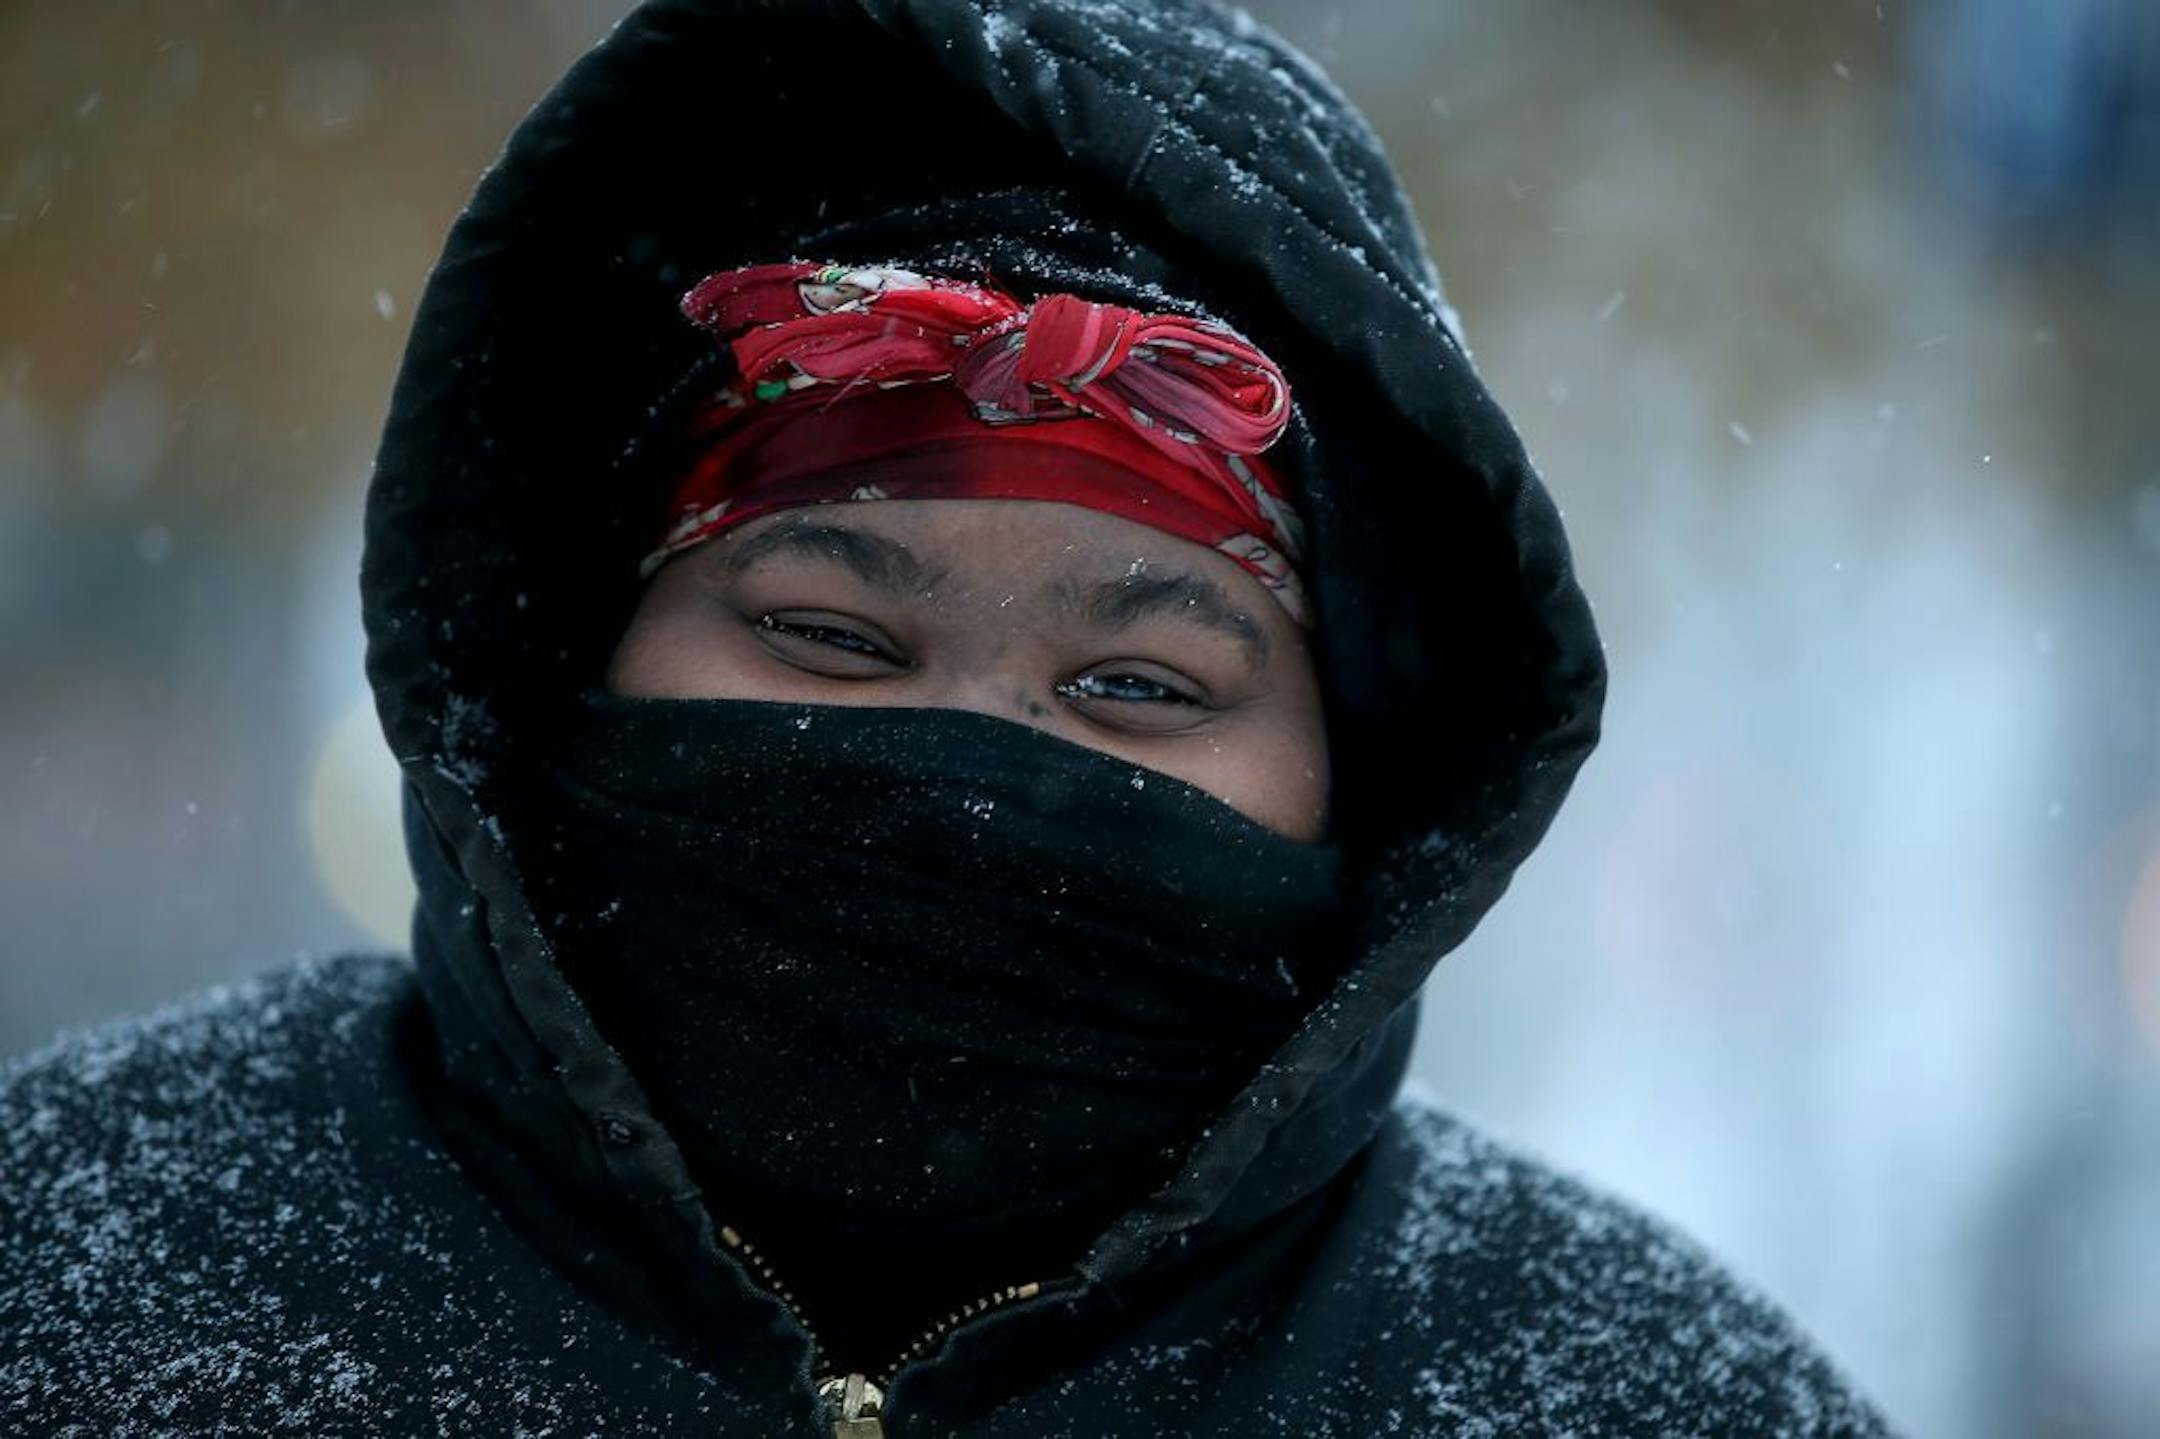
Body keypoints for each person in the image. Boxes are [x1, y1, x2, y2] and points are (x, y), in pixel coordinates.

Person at [0, 1, 1897, 1433]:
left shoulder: (1643, 1396)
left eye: (1143, 685)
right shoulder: (80, 1270)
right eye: (827, 634)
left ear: (1358, 775)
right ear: (572, 650)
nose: (975, 770)